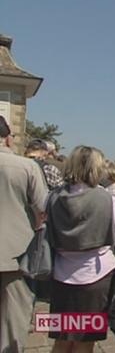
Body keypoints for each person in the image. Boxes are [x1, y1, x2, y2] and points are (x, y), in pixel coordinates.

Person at [46, 146, 115, 352]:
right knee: (85, 339)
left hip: (60, 273)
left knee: (62, 337)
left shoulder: (53, 196)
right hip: (96, 275)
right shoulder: (106, 198)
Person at [0, 116, 48, 352]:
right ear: (8, 138)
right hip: (16, 252)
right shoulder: (26, 167)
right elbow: (43, 209)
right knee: (13, 320)